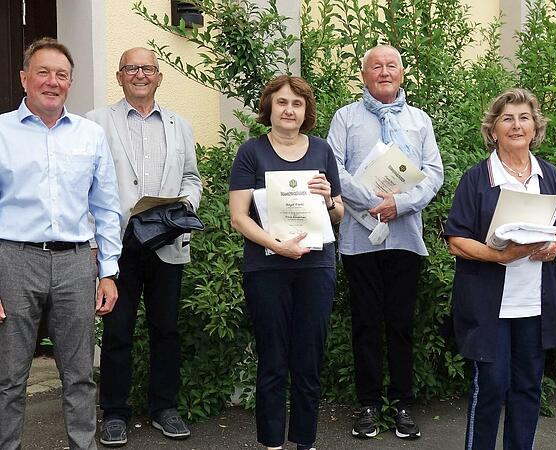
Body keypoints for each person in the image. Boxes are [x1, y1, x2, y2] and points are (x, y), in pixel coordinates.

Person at [0, 37, 123, 450]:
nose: (52, 82)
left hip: (75, 262)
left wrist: (108, 271)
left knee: (80, 375)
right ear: (24, 79)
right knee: (9, 377)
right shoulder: (1, 132)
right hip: (13, 260)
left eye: (62, 75)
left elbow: (107, 208)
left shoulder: (90, 136)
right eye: (43, 72)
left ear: (70, 82)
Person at [86, 47, 202, 447]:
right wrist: (93, 243)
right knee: (118, 330)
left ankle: (163, 407)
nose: (140, 74)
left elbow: (192, 178)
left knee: (165, 329)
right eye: (131, 68)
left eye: (147, 68)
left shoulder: (179, 124)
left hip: (165, 240)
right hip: (116, 243)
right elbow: (86, 183)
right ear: (119, 77)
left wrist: (184, 207)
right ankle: (115, 412)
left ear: (159, 77)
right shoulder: (96, 122)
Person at [327, 44, 444, 439]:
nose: (383, 72)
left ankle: (404, 404)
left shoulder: (419, 120)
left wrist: (401, 203)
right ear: (364, 75)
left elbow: (434, 173)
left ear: (402, 73)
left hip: (405, 237)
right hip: (360, 237)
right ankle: (368, 405)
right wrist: (372, 201)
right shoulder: (345, 118)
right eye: (375, 66)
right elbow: (333, 169)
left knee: (401, 323)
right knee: (364, 324)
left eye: (391, 65)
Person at [444, 89, 556, 450]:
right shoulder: (477, 178)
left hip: (535, 300)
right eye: (507, 118)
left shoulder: (549, 175)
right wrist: (497, 256)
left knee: (529, 386)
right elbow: (455, 239)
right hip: (490, 303)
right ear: (493, 129)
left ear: (535, 127)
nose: (517, 125)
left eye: (524, 117)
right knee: (493, 385)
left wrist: (555, 245)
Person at [229, 75, 344, 450]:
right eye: (281, 103)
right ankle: (272, 443)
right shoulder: (251, 152)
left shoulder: (323, 151)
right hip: (267, 268)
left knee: (309, 361)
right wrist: (276, 245)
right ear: (269, 108)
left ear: (306, 110)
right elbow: (238, 217)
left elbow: (339, 213)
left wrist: (329, 200)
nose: (289, 110)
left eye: (297, 103)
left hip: (316, 266)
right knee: (273, 360)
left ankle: (305, 442)